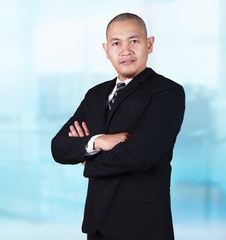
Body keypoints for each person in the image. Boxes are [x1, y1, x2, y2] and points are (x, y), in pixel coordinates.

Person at [51, 13, 185, 240]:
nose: (125, 50)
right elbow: (59, 147)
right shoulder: (95, 95)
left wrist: (86, 159)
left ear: (149, 44)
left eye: (134, 41)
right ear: (106, 50)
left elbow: (138, 156)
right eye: (116, 43)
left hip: (143, 228)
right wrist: (97, 141)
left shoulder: (166, 93)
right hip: (97, 227)